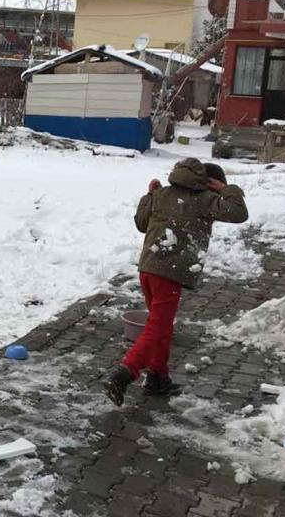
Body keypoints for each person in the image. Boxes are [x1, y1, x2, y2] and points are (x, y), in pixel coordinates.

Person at [105, 159, 248, 406]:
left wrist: (149, 196)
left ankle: (158, 377)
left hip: (147, 269)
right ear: (207, 183)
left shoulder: (161, 194)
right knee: (157, 328)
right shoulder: (204, 200)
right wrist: (225, 188)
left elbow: (141, 224)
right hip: (168, 274)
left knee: (161, 325)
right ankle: (125, 372)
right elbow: (239, 213)